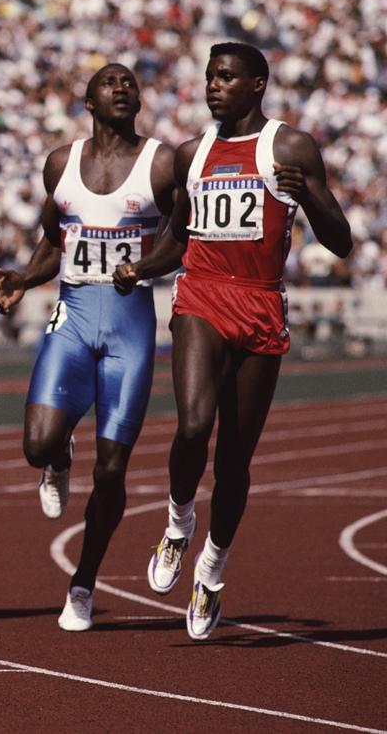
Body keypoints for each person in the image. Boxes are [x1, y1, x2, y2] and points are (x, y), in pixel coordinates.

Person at [114, 42, 352, 639]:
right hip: (201, 295)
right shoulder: (192, 154)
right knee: (194, 423)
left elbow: (341, 241)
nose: (213, 86)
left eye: (226, 77)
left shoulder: (289, 147)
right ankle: (177, 523)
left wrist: (311, 193)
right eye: (208, 76)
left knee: (234, 459)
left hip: (261, 302)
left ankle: (212, 569)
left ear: (257, 84)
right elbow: (177, 238)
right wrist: (140, 269)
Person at [0, 64, 176, 631]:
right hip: (72, 314)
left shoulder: (162, 163)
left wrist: (144, 266)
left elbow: (184, 237)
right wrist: (21, 279)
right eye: (110, 82)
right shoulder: (59, 163)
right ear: (88, 100)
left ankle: (83, 584)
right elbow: (53, 238)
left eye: (130, 83)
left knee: (113, 471)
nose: (122, 88)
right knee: (37, 444)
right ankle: (58, 457)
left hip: (131, 324)